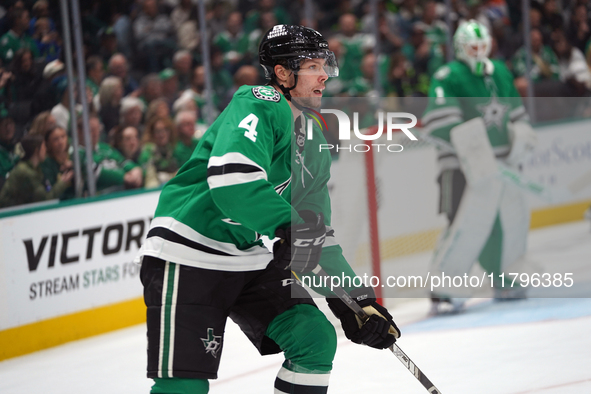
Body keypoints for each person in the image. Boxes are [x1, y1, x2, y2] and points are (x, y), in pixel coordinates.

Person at [135, 25, 400, 394]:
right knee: (184, 386)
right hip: (188, 250)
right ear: (282, 73)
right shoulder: (259, 102)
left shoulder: (313, 138)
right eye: (312, 66)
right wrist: (285, 224)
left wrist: (354, 301)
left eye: (325, 64)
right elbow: (231, 180)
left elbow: (314, 232)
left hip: (246, 256)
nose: (324, 74)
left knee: (314, 339)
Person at [421, 20, 537, 314]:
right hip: (461, 167)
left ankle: (505, 276)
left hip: (501, 165)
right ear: (461, 47)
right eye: (473, 46)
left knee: (506, 223)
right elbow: (440, 123)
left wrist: (519, 138)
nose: (478, 51)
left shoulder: (499, 70)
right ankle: (444, 288)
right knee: (462, 223)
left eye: (483, 45)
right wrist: (475, 153)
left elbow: (516, 113)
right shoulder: (448, 75)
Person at [0, 133, 72, 208]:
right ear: (37, 150)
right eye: (44, 147)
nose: (46, 150)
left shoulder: (34, 168)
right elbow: (45, 199)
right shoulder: (25, 172)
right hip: (9, 213)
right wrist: (63, 182)